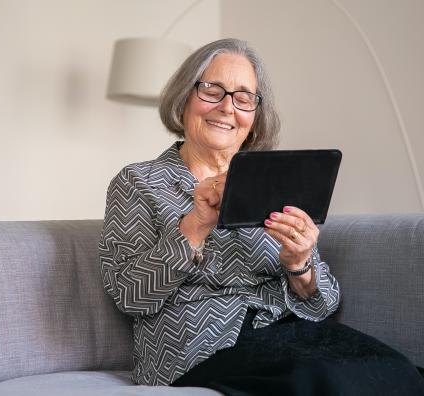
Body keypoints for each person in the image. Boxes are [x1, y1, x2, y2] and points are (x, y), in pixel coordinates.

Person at [99, 38, 424, 395]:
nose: (227, 107)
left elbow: (325, 302)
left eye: (243, 98)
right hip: (199, 347)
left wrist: (300, 265)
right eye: (212, 90)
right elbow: (130, 296)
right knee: (324, 381)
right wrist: (195, 225)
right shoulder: (138, 182)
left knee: (401, 372)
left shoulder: (273, 180)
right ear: (184, 99)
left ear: (254, 118)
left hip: (287, 329)